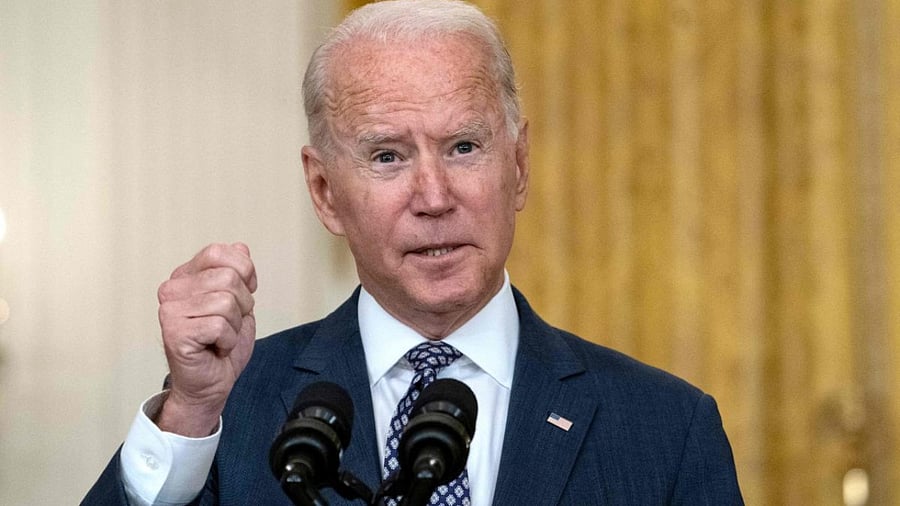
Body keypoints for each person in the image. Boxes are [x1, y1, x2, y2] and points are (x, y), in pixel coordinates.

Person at [84, 1, 743, 504]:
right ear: (325, 192)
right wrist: (191, 414)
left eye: (463, 146)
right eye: (387, 155)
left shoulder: (665, 428)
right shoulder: (232, 410)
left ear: (518, 165)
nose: (434, 196)